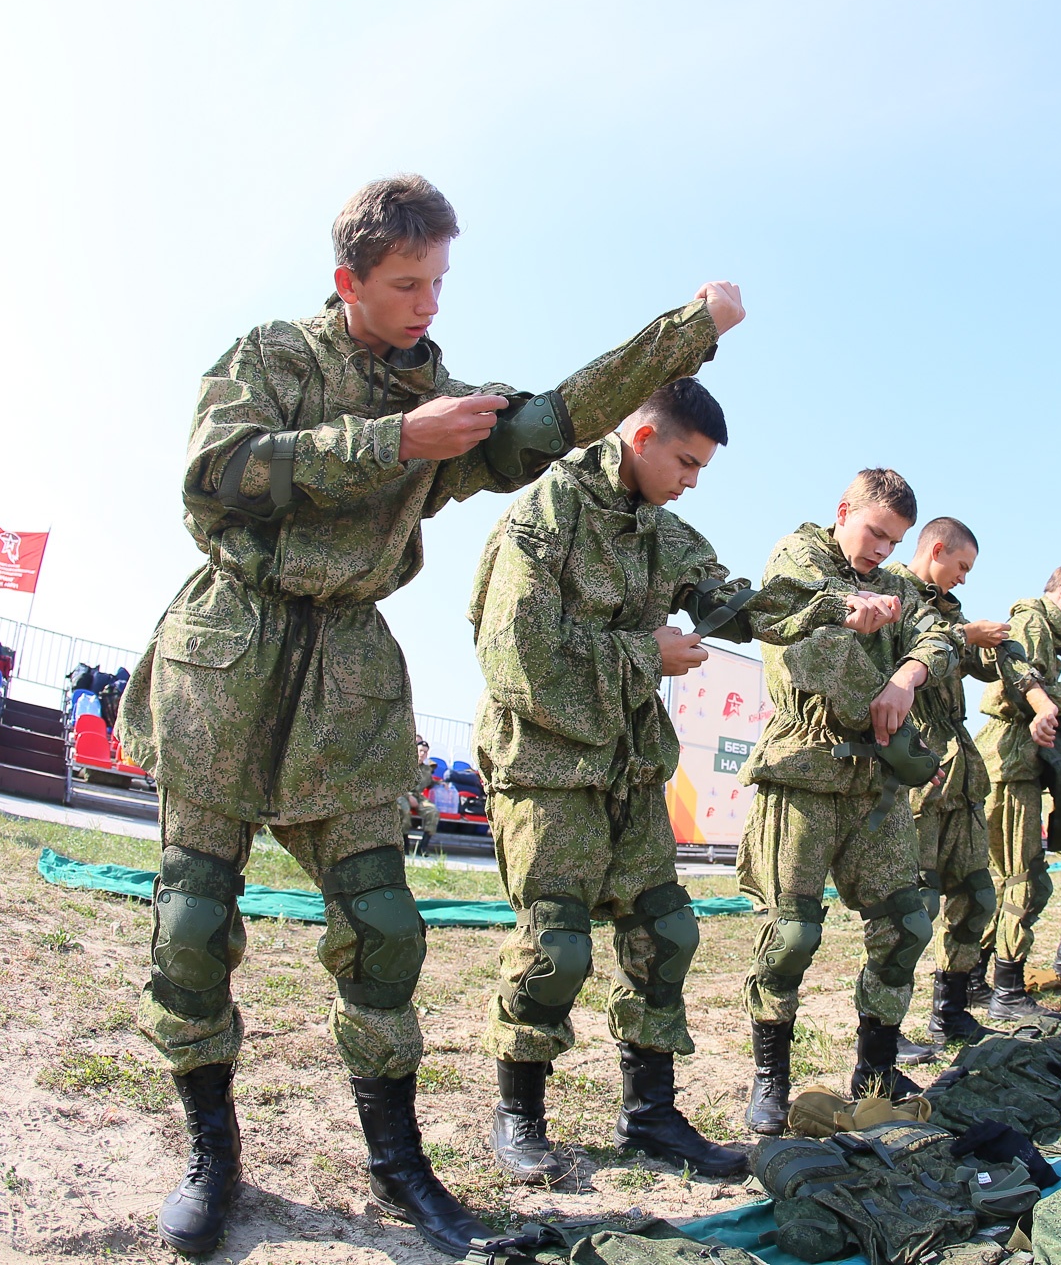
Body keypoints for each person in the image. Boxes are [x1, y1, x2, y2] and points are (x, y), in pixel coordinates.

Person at [113, 173, 745, 1256]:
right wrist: (396, 441)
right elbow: (217, 470)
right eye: (408, 283)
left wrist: (685, 333)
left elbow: (555, 419)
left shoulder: (442, 391)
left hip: (350, 676)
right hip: (228, 656)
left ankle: (401, 1164)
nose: (428, 304)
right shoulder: (275, 355)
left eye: (439, 281)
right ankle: (213, 1152)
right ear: (347, 280)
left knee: (385, 931)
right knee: (191, 924)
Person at [470, 376, 782, 1184]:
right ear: (640, 438)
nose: (692, 479)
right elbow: (516, 657)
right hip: (547, 765)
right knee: (555, 947)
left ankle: (650, 1114)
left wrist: (828, 606)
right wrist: (649, 655)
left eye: (703, 468)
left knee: (666, 932)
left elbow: (734, 604)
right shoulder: (547, 514)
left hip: (629, 767)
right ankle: (520, 1114)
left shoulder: (663, 532)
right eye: (685, 460)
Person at [736, 468, 961, 1134]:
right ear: (844, 510)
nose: (882, 552)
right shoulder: (799, 556)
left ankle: (876, 1069)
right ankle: (770, 1076)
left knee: (905, 926)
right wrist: (881, 700)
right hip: (806, 771)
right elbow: (813, 646)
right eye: (874, 534)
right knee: (793, 935)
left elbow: (939, 636)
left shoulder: (895, 586)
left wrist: (906, 678)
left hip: (874, 788)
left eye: (894, 543)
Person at [888, 517, 1013, 1053]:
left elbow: (974, 667)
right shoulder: (888, 588)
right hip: (921, 768)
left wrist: (989, 644)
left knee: (977, 895)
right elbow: (897, 655)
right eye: (961, 566)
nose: (963, 579)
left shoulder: (949, 608)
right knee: (916, 904)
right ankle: (885, 1030)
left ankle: (951, 1011)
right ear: (936, 550)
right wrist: (965, 637)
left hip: (961, 773)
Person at [971, 561, 1061, 1005]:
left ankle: (973, 977)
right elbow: (1024, 687)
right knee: (1021, 881)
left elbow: (1043, 687)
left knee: (1017, 881)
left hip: (1017, 762)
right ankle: (1006, 989)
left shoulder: (1046, 629)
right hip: (1010, 762)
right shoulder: (1033, 621)